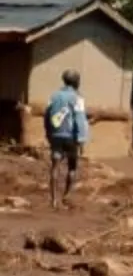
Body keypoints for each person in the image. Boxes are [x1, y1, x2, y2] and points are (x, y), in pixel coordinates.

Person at [43, 69, 89, 210]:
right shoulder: (77, 98)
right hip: (71, 137)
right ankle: (66, 197)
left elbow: (46, 115)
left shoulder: (54, 96)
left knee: (55, 166)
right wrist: (82, 139)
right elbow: (80, 119)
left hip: (56, 135)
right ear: (76, 82)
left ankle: (54, 200)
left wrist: (49, 133)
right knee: (72, 166)